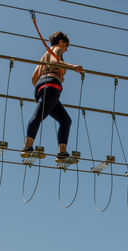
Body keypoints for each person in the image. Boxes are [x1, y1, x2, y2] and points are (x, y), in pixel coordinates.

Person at [21, 31, 82, 162]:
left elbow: (34, 78)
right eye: (66, 47)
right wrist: (72, 67)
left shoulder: (44, 56)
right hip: (51, 86)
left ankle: (62, 153)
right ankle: (27, 147)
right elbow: (55, 63)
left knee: (66, 120)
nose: (65, 50)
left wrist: (41, 85)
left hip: (42, 87)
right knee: (39, 115)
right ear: (61, 42)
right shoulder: (57, 49)